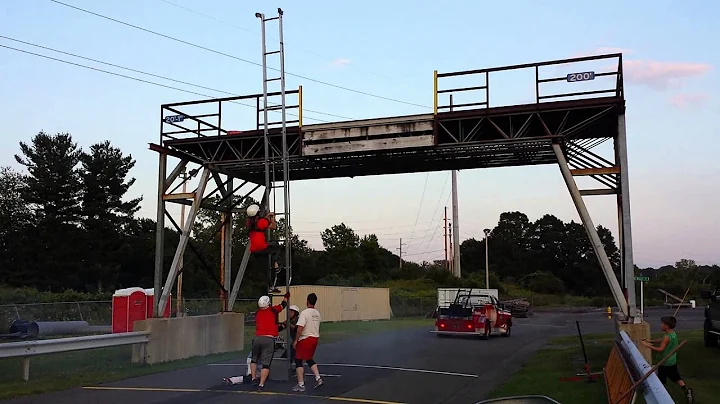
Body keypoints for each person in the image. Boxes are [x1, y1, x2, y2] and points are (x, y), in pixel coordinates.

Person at [641, 316, 694, 403]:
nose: (660, 325)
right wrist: (651, 341)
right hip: (672, 361)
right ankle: (686, 390)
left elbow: (660, 349)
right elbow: (663, 340)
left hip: (664, 363)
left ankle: (663, 398)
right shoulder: (673, 334)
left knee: (662, 382)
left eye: (662, 323)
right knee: (676, 378)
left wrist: (647, 345)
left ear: (666, 326)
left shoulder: (667, 337)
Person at [250, 292, 290, 390]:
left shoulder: (257, 313)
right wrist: (286, 297)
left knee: (254, 359)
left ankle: (253, 378)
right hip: (269, 339)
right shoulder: (273, 310)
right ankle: (261, 384)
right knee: (266, 363)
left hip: (257, 338)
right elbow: (283, 305)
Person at [246, 204, 284, 294]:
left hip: (254, 251)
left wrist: (267, 216)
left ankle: (271, 286)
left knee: (266, 270)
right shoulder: (261, 222)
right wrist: (272, 217)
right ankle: (275, 262)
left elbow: (263, 221)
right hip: (262, 247)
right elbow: (273, 227)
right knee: (275, 245)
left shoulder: (249, 223)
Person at [292, 293, 323, 392]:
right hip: (315, 338)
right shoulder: (317, 313)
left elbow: (300, 328)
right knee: (309, 359)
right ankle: (318, 378)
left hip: (305, 338)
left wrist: (296, 340)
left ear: (307, 301)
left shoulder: (305, 313)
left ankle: (301, 384)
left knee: (298, 360)